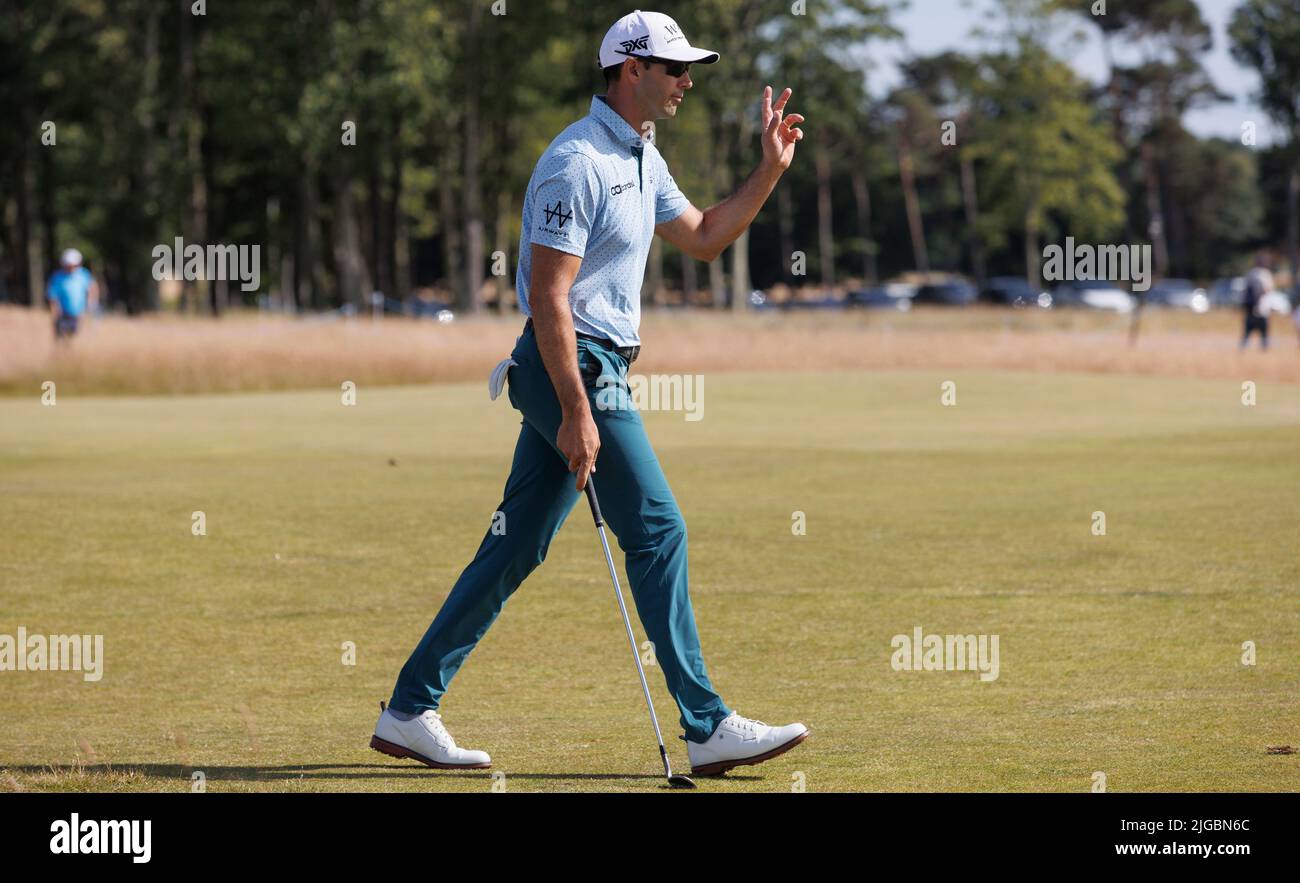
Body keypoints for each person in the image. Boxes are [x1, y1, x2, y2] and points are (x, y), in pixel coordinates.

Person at [371, 10, 811, 779]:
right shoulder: (574, 161)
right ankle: (706, 724)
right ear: (630, 70)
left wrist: (769, 169)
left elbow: (706, 235)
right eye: (674, 68)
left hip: (584, 367)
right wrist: (577, 407)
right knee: (658, 528)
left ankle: (408, 709)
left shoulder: (643, 154)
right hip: (568, 365)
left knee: (516, 544)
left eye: (688, 69)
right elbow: (549, 295)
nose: (687, 81)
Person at [46, 249, 98, 341]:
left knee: (77, 339)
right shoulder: (57, 277)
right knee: (62, 340)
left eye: (74, 265)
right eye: (69, 265)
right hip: (63, 315)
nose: (71, 267)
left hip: (80, 314)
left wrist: (89, 306)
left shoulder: (84, 275)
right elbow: (53, 297)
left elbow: (92, 289)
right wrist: (55, 313)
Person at [1240, 256, 1273, 351]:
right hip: (1262, 308)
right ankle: (1264, 351)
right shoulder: (1265, 274)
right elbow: (1267, 289)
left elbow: (1245, 291)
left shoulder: (1250, 273)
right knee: (1264, 334)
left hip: (1250, 308)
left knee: (1247, 333)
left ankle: (1243, 350)